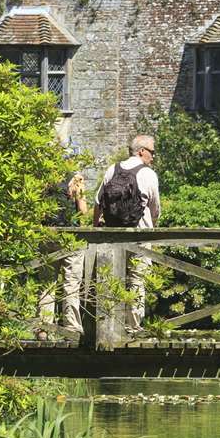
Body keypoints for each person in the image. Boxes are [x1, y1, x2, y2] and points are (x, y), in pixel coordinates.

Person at [93, 134, 160, 326]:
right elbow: (155, 210)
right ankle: (132, 326)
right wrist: (152, 228)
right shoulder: (148, 174)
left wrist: (96, 229)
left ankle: (108, 324)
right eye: (152, 152)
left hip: (112, 237)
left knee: (112, 278)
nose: (153, 157)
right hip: (139, 237)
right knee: (137, 280)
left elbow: (98, 202)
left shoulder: (112, 169)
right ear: (142, 151)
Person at [38, 169, 89, 339]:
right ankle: (71, 328)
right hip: (71, 236)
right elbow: (83, 210)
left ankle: (43, 328)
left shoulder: (44, 175)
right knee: (71, 283)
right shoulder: (75, 178)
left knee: (47, 283)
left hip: (48, 234)